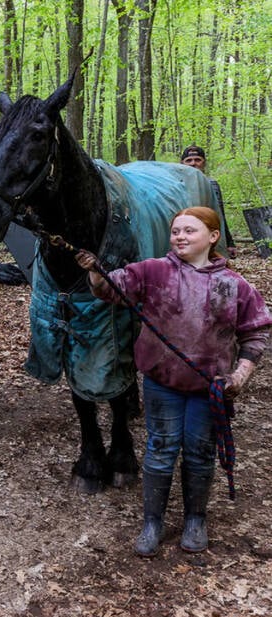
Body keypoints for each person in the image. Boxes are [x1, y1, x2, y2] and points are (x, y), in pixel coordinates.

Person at [75, 207, 270, 557]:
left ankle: (196, 518)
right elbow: (109, 290)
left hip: (209, 390)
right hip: (162, 383)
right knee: (161, 450)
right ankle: (153, 521)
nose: (180, 236)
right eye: (176, 230)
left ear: (212, 237)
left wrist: (240, 374)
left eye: (189, 231)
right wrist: (94, 272)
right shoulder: (153, 272)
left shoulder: (235, 285)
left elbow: (255, 333)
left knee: (199, 452)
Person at [181, 145, 237, 258]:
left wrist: (229, 243)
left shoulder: (211, 185)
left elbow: (219, 215)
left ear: (204, 163)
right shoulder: (175, 185)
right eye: (189, 160)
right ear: (182, 163)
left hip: (205, 237)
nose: (193, 163)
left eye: (197, 160)